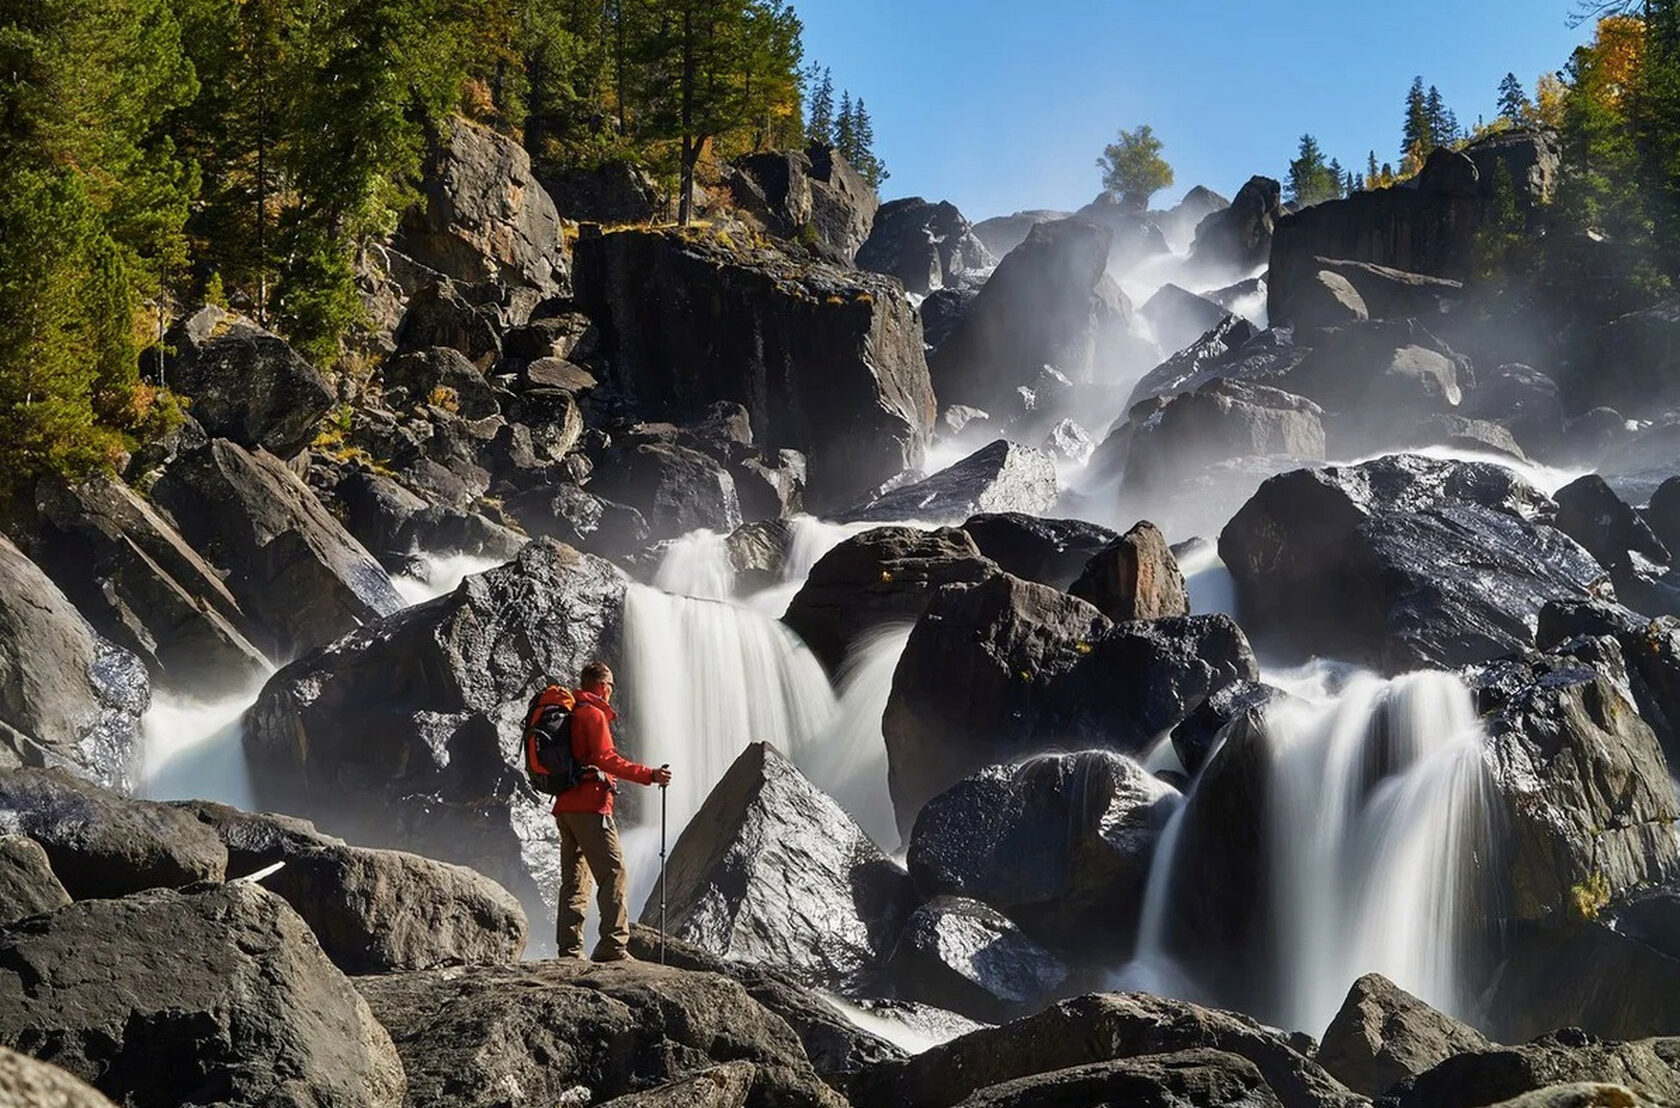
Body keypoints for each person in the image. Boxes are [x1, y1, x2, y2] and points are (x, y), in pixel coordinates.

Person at [552, 660, 672, 961]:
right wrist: (650, 775)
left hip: (565, 807)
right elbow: (607, 758)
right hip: (590, 805)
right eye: (611, 686)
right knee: (613, 873)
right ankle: (613, 945)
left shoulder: (570, 713)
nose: (611, 692)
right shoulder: (592, 714)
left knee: (575, 881)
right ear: (603, 686)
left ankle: (569, 949)